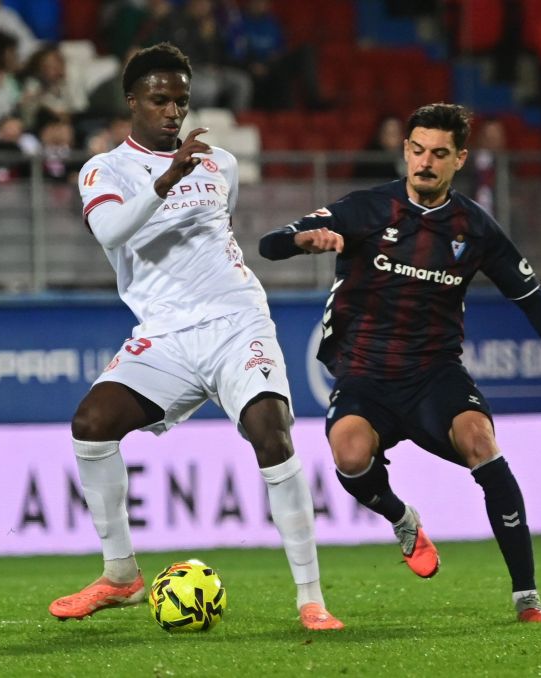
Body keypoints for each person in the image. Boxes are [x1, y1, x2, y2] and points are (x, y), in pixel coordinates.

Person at [258, 103, 541, 623]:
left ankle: (527, 598)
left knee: (481, 442)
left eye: (439, 154)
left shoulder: (475, 229)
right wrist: (304, 240)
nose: (425, 162)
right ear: (406, 152)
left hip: (434, 374)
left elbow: (529, 295)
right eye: (417, 151)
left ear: (459, 159)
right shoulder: (367, 209)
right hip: (365, 374)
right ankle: (402, 517)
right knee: (348, 455)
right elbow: (269, 243)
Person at [47, 42, 343, 631]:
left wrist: (183, 172)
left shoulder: (219, 164)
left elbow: (219, 237)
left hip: (236, 322)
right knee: (91, 425)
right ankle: (121, 575)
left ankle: (311, 599)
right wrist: (163, 182)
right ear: (131, 101)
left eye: (181, 101)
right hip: (165, 335)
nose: (172, 112)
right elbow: (109, 232)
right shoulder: (104, 169)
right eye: (159, 100)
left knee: (271, 431)